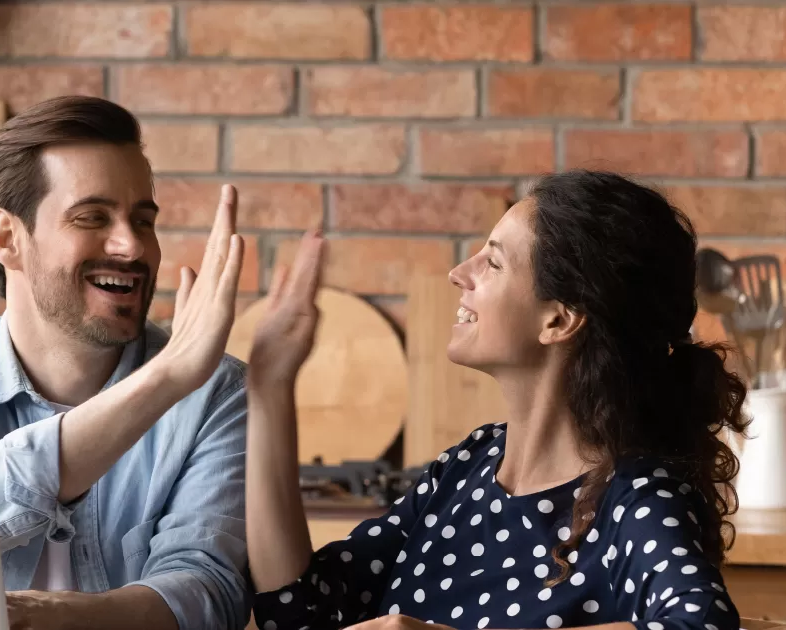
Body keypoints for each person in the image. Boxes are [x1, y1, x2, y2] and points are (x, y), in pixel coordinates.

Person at [245, 170, 748, 630]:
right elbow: (300, 609)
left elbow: (703, 625)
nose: (459, 273)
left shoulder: (634, 497)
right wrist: (269, 389)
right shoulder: (468, 465)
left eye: (494, 262)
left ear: (558, 319)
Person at [0, 96, 251, 630]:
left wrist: (80, 619)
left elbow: (210, 590)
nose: (131, 246)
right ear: (8, 238)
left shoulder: (215, 391)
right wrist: (164, 380)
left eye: (142, 219)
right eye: (92, 217)